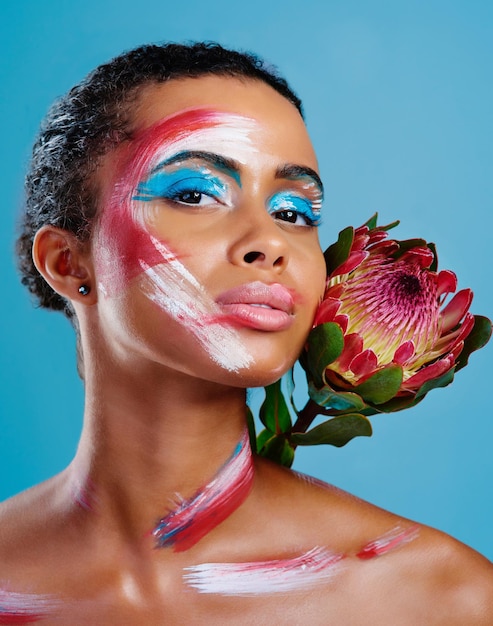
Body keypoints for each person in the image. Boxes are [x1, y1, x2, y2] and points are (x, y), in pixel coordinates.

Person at [1, 42, 492, 624]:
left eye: (294, 212)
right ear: (68, 262)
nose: (271, 242)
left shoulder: (438, 597)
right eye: (195, 194)